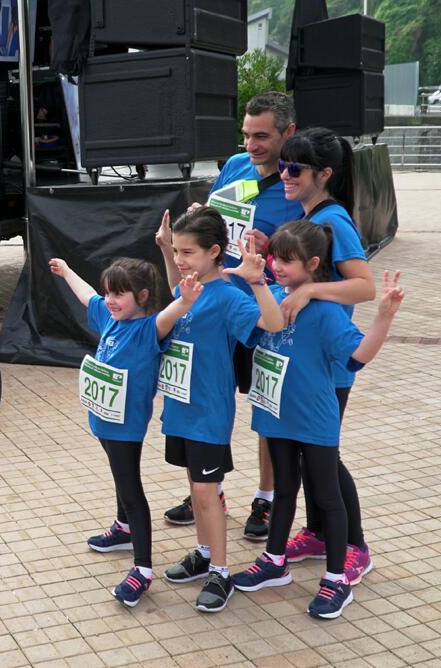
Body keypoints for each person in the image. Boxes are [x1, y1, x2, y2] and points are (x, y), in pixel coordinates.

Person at [231, 221, 404, 620]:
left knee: (326, 497)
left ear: (312, 264)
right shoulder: (272, 295)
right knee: (285, 488)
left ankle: (337, 578)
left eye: (287, 262)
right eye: (275, 258)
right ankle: (274, 561)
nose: (277, 267)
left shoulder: (325, 311)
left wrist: (384, 318)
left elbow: (356, 358)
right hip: (274, 414)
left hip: (314, 419)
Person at [164, 91, 304, 542]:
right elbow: (214, 222)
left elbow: (315, 248)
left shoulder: (298, 182)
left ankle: (265, 496)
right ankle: (210, 490)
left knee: (264, 407)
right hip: (216, 305)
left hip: (265, 311)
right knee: (208, 399)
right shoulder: (235, 165)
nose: (251, 145)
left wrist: (275, 245)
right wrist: (196, 219)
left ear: (288, 133)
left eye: (261, 136)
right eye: (246, 135)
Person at [49, 256, 203, 607]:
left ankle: (143, 569)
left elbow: (171, 313)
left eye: (119, 294)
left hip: (126, 428)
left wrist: (186, 299)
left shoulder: (149, 329)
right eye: (109, 293)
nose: (110, 300)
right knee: (120, 480)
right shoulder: (109, 317)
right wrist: (68, 270)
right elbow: (88, 296)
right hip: (102, 420)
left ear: (142, 295)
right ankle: (123, 528)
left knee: (131, 489)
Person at [154, 207, 284, 612]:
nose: (180, 259)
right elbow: (178, 292)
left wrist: (258, 281)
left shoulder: (229, 296)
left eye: (187, 252)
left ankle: (221, 572)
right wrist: (163, 248)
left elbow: (273, 324)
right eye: (177, 249)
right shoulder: (187, 288)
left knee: (207, 494)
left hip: (209, 410)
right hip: (179, 406)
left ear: (215, 251)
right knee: (196, 490)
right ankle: (204, 553)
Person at [277, 127, 377, 585]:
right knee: (306, 458)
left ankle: (354, 545)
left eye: (294, 168)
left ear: (325, 174)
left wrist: (313, 287)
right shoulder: (314, 216)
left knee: (324, 458)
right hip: (308, 361)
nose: (284, 174)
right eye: (282, 165)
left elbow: (364, 285)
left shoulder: (334, 219)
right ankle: (319, 533)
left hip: (332, 362)